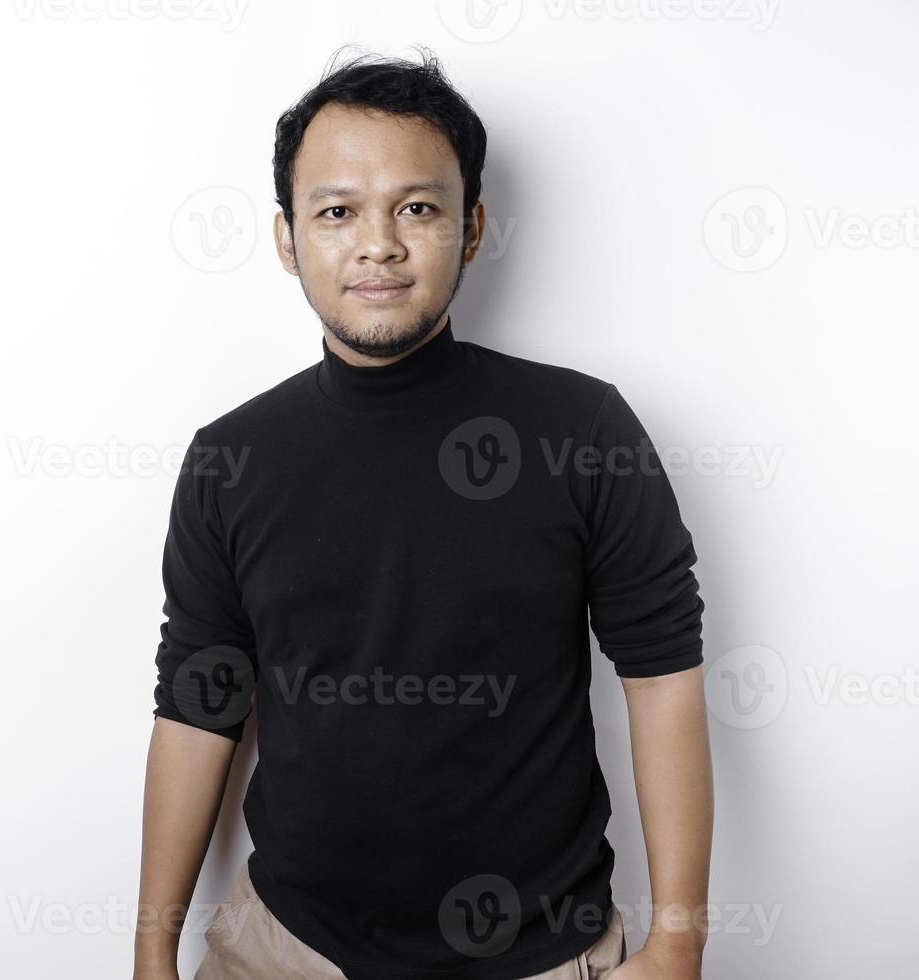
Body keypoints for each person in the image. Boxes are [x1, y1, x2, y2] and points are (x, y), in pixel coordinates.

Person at [135, 47, 713, 980]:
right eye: (337, 211)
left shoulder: (582, 428)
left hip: (537, 954)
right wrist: (151, 952)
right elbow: (197, 709)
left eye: (417, 207)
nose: (379, 244)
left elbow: (664, 677)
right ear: (288, 238)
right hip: (285, 950)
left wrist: (679, 941)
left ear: (472, 228)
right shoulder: (230, 458)